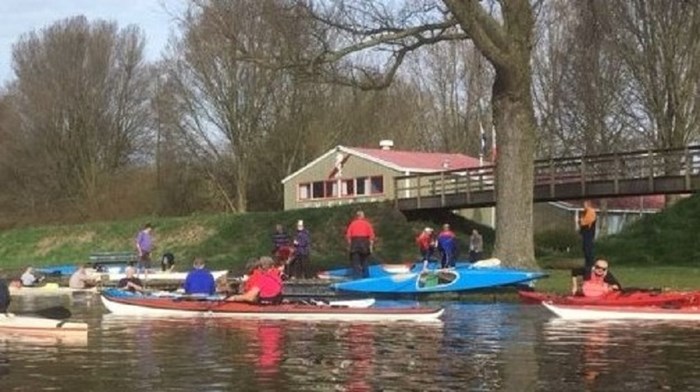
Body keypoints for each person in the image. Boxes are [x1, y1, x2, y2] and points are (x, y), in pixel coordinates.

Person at [345, 210, 376, 279]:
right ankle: (366, 277)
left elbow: (348, 236)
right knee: (365, 262)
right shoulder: (367, 224)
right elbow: (372, 236)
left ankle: (356, 278)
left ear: (357, 216)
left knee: (356, 263)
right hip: (364, 244)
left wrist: (350, 245)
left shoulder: (352, 224)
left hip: (355, 244)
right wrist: (371, 247)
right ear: (363, 216)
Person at [579, 200, 597, 270]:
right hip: (585, 233)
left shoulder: (591, 211)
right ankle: (587, 264)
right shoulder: (584, 212)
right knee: (585, 249)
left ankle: (591, 264)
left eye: (585, 204)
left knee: (588, 249)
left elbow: (586, 221)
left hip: (589, 233)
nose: (584, 206)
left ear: (589, 204)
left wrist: (581, 221)